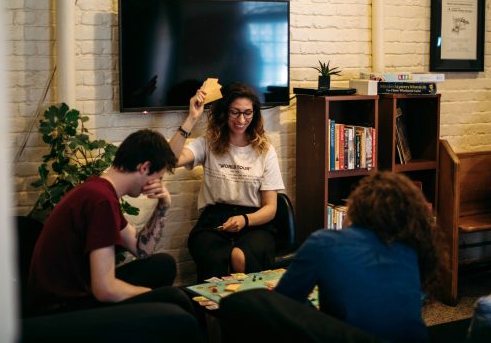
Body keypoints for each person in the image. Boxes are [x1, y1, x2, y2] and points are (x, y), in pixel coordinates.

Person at [27, 129, 193, 317]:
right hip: (61, 308)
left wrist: (163, 205)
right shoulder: (101, 200)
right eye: (159, 177)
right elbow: (105, 289)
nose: (158, 184)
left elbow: (142, 250)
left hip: (79, 291)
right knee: (173, 297)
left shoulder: (100, 189)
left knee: (163, 264)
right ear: (144, 168)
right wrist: (153, 295)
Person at [273, 172, 445, 343]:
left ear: (356, 207)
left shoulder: (323, 242)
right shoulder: (411, 250)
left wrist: (319, 318)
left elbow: (282, 301)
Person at [169, 82, 285, 282]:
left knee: (240, 257)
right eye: (235, 112)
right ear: (224, 112)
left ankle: (246, 308)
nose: (241, 119)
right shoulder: (208, 143)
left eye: (248, 113)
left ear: (255, 114)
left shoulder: (265, 150)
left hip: (254, 222)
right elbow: (170, 159)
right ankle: (212, 311)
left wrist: (245, 220)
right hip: (214, 222)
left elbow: (271, 208)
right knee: (216, 261)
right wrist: (191, 118)